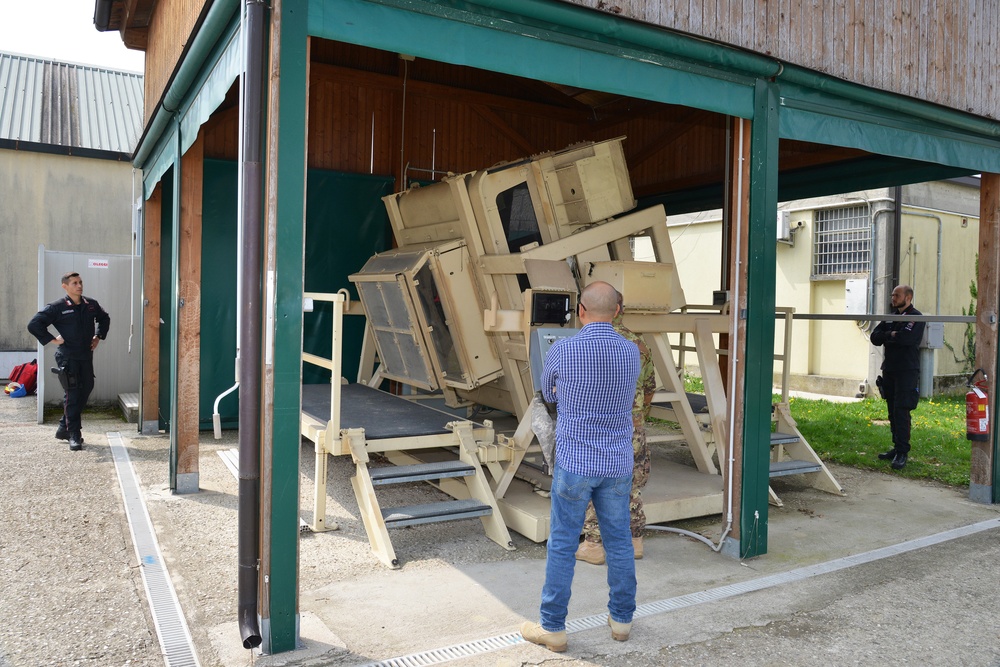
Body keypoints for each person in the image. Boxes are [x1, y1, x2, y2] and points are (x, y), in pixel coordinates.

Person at [520, 281, 640, 653]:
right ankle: (621, 620)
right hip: (618, 461)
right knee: (619, 542)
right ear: (617, 311)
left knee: (561, 543)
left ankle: (553, 628)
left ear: (581, 312)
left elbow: (547, 392)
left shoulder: (564, 350)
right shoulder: (631, 352)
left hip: (575, 462)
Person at [576, 289, 655, 565]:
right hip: (632, 426)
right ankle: (634, 541)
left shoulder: (585, 343)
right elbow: (648, 388)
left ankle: (594, 546)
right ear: (619, 310)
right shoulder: (636, 342)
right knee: (631, 485)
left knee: (597, 483)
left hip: (601, 428)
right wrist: (639, 417)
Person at [28, 272, 110, 451]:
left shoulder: (90, 304)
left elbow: (104, 318)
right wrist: (52, 339)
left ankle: (63, 426)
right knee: (72, 394)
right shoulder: (57, 307)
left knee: (87, 387)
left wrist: (98, 336)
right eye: (74, 283)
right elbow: (34, 324)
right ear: (65, 286)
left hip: (85, 355)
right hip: (67, 356)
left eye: (80, 282)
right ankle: (74, 434)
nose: (79, 286)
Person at [870, 284, 924, 470]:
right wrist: (891, 334)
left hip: (906, 371)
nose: (893, 298)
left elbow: (906, 339)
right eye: (892, 294)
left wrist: (891, 336)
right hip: (890, 370)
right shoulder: (890, 317)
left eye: (897, 295)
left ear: (907, 297)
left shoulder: (915, 317)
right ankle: (896, 446)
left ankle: (902, 451)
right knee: (892, 410)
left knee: (902, 410)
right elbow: (875, 337)